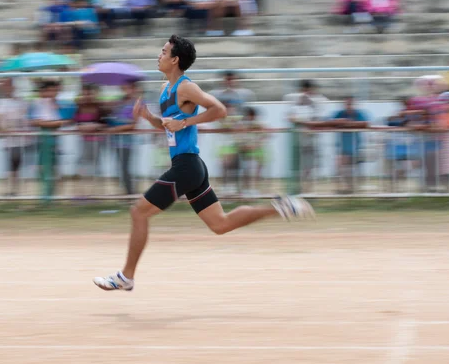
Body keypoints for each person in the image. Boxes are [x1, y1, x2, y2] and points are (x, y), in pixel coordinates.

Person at [93, 34, 315, 291]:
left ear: (175, 60)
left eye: (164, 52)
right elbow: (168, 127)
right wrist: (149, 117)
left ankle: (126, 276)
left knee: (138, 212)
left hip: (186, 166)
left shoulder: (186, 87)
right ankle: (279, 207)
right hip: (191, 167)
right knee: (220, 224)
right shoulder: (166, 90)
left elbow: (219, 110)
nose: (159, 55)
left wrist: (185, 122)